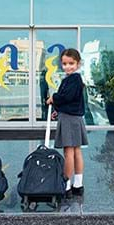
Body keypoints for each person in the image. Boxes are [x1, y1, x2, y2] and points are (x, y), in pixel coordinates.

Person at [46, 48, 88, 197]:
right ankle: (78, 184)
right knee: (76, 151)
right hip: (74, 118)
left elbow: (66, 97)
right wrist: (58, 110)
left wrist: (53, 98)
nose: (68, 66)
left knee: (68, 152)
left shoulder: (73, 79)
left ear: (78, 64)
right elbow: (71, 99)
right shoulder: (75, 79)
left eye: (71, 63)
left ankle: (67, 185)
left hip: (70, 119)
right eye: (65, 63)